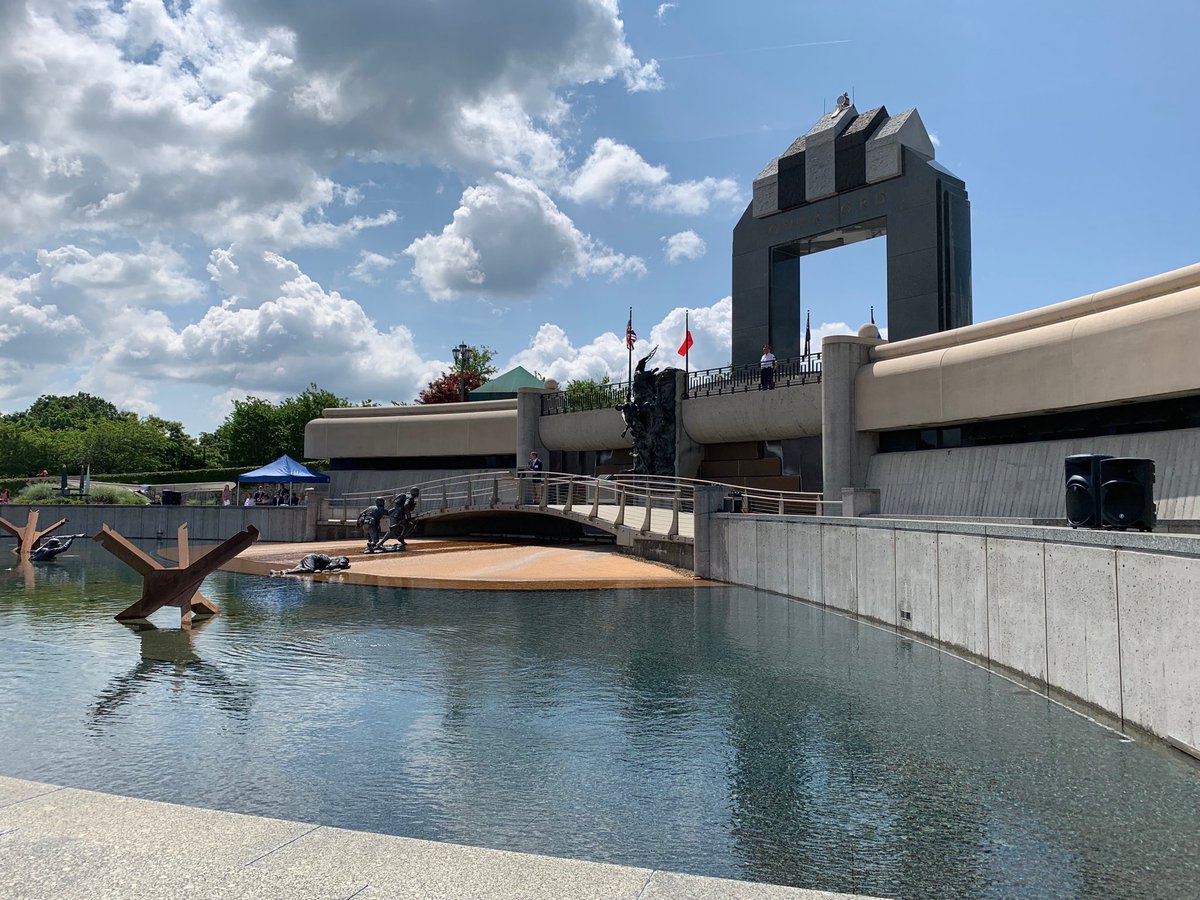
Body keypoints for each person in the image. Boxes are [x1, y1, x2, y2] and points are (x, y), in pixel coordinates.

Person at [270, 554, 351, 577]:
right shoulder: (340, 559)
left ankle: (278, 572)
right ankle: (283, 572)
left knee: (296, 573)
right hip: (311, 558)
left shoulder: (333, 561)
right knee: (309, 569)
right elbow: (340, 564)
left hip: (310, 559)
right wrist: (346, 566)